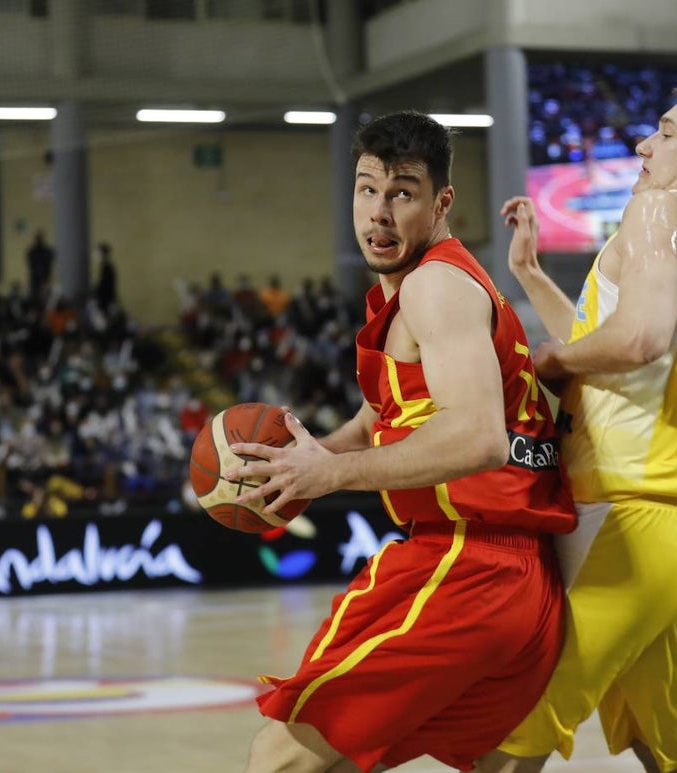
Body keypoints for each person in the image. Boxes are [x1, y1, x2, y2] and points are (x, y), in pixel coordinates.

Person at [226, 111, 577, 772]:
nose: (379, 213)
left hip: (468, 567)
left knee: (280, 757)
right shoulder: (411, 292)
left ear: (442, 203)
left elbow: (479, 437)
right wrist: (295, 464)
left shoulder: (435, 286)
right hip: (510, 578)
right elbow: (373, 423)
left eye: (403, 193)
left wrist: (330, 476)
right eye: (368, 190)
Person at [479, 82, 677, 773]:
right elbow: (612, 343)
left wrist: (549, 361)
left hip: (626, 514)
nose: (643, 145)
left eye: (665, 132)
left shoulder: (659, 209)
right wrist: (531, 274)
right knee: (674, 754)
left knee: (515, 726)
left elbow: (638, 339)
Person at [26, 231, 54, 302]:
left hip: (44, 279)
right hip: (35, 279)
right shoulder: (32, 252)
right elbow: (31, 264)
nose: (38, 241)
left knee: (45, 297)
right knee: (34, 297)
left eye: (40, 239)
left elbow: (49, 263)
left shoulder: (46, 252)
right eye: (38, 239)